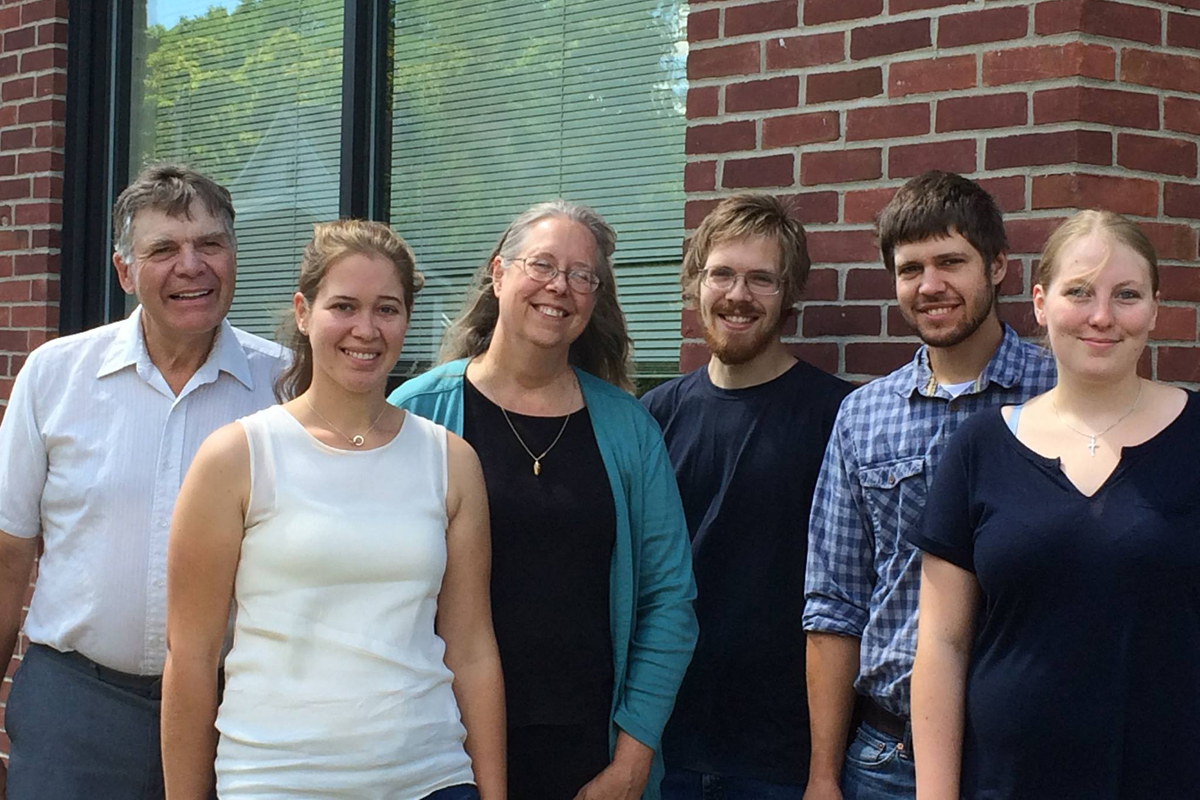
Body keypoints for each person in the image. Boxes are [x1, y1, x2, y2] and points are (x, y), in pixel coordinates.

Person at [161, 220, 504, 799]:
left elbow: (471, 648)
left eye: (387, 309)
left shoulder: (451, 462)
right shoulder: (237, 457)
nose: (365, 330)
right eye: (343, 306)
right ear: (303, 312)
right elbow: (190, 659)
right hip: (275, 781)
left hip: (431, 779)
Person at [389, 200, 698, 800]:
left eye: (584, 276)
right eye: (543, 265)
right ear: (499, 274)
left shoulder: (629, 429)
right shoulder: (419, 412)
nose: (561, 286)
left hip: (590, 758)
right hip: (437, 754)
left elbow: (670, 602)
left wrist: (632, 764)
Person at [0, 164, 285, 799]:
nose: (192, 266)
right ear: (125, 272)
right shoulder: (54, 377)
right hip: (76, 708)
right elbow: (8, 559)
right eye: (164, 249)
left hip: (239, 710)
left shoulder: (287, 387)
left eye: (210, 244)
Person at [907, 210, 1199, 799]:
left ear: (1155, 308)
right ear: (1040, 303)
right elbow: (943, 643)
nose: (1101, 317)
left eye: (1126, 295)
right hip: (1006, 783)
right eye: (1079, 292)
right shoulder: (979, 448)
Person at [801, 171, 1057, 800]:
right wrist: (824, 776)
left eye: (951, 262)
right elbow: (835, 602)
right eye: (910, 268)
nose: (930, 285)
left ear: (997, 266)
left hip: (1033, 752)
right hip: (890, 758)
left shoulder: (1058, 393)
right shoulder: (863, 415)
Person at [642, 194, 852, 798]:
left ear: (790, 294)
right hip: (664, 746)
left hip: (783, 759)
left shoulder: (837, 418)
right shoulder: (652, 419)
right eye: (723, 274)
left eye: (762, 278)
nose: (738, 295)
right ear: (695, 282)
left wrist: (824, 771)